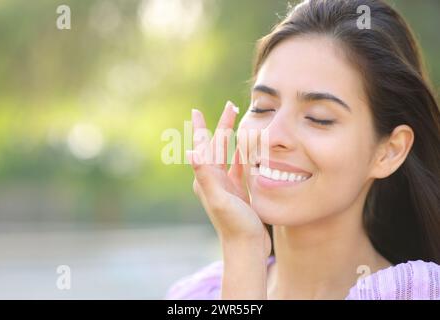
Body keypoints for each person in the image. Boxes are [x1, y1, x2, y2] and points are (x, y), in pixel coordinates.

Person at [166, 0, 440, 300]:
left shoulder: (417, 293)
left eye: (318, 118)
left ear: (389, 151)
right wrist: (243, 250)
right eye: (262, 108)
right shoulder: (196, 295)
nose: (272, 137)